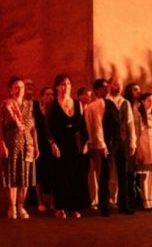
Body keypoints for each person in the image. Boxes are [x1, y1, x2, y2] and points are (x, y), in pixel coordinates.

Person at [47, 74, 90, 218]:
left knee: (75, 175)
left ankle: (74, 207)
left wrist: (85, 142)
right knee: (60, 175)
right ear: (57, 87)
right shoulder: (52, 104)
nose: (65, 87)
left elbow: (83, 126)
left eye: (68, 84)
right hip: (59, 144)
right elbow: (48, 127)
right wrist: (52, 143)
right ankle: (60, 207)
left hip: (75, 144)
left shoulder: (78, 104)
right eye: (62, 84)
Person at [1, 76, 38, 220]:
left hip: (27, 144)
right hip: (11, 145)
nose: (19, 90)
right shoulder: (6, 105)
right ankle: (12, 207)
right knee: (11, 176)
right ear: (10, 90)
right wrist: (2, 143)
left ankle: (21, 206)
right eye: (16, 87)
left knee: (25, 177)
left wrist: (36, 145)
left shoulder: (29, 105)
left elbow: (33, 128)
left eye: (22, 87)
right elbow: (1, 126)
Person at [104, 76, 136, 214]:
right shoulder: (104, 102)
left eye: (120, 84)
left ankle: (124, 205)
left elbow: (130, 123)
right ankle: (104, 205)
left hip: (123, 141)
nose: (119, 86)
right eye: (116, 84)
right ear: (110, 85)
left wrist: (133, 141)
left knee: (123, 174)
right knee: (106, 174)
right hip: (108, 141)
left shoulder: (125, 103)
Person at [84, 78, 108, 213]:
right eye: (102, 87)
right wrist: (97, 143)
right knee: (94, 174)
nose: (105, 89)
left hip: (105, 143)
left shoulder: (108, 104)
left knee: (105, 174)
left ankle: (107, 199)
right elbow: (94, 126)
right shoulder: (92, 106)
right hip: (95, 144)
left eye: (106, 87)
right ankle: (94, 200)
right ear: (96, 90)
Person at [33, 86, 54, 212]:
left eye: (52, 94)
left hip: (52, 146)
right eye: (47, 94)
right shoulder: (36, 109)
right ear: (42, 96)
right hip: (39, 145)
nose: (49, 96)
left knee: (53, 173)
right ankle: (40, 202)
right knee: (39, 174)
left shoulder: (55, 110)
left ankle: (53, 201)